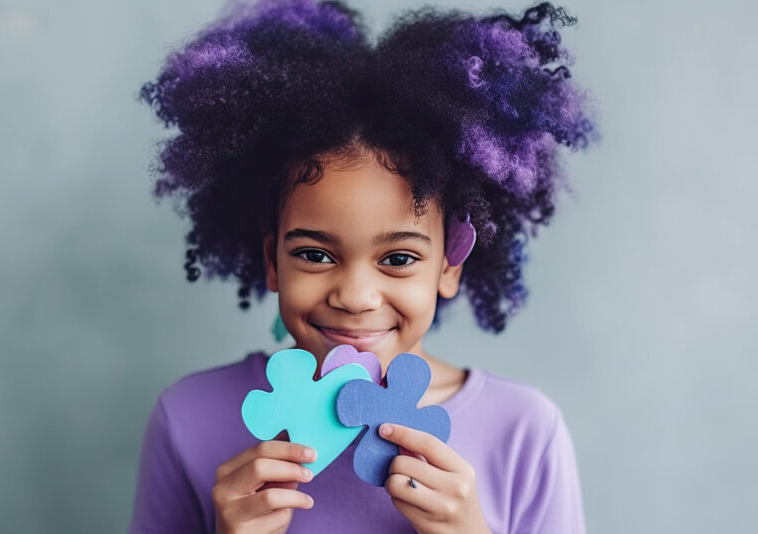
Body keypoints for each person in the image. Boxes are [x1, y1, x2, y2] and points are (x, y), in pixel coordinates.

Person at [128, 0, 599, 532]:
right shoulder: (187, 417)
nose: (355, 295)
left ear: (449, 267)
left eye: (398, 258)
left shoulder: (526, 432)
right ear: (272, 262)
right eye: (314, 254)